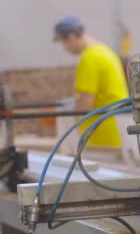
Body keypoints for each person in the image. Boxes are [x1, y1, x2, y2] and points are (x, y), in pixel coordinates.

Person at [53, 16, 129, 147]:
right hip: (118, 127)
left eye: (63, 43)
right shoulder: (104, 51)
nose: (65, 48)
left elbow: (85, 104)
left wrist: (72, 129)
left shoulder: (89, 58)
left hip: (103, 134)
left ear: (71, 37)